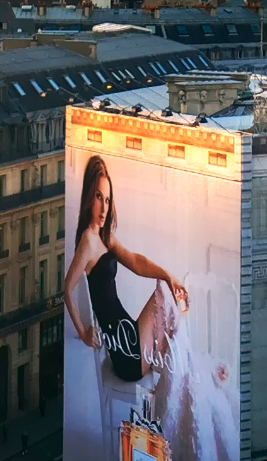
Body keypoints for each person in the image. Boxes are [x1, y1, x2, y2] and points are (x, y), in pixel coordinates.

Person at [62, 154, 189, 382]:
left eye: (108, 200)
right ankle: (182, 376)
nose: (104, 208)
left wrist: (168, 276)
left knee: (166, 290)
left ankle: (179, 377)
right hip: (127, 355)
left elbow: (135, 262)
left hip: (129, 336)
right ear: (89, 198)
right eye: (99, 197)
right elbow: (67, 289)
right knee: (164, 295)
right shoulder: (88, 242)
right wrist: (83, 333)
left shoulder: (104, 237)